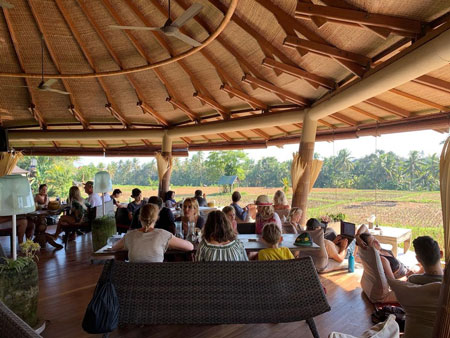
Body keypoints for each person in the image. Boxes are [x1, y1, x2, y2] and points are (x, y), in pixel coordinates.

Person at [112, 204, 193, 263]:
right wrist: (167, 245)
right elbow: (190, 247)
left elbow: (114, 248)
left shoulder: (130, 235)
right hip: (157, 283)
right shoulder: (163, 235)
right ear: (157, 218)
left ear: (139, 217)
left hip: (134, 283)